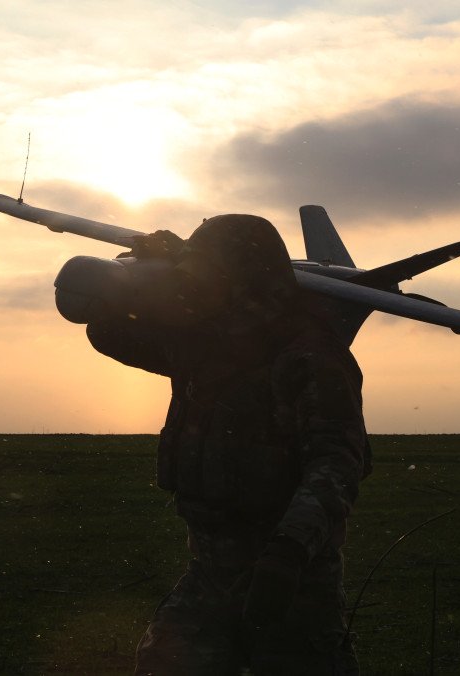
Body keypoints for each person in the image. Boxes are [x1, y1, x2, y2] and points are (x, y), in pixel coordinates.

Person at [85, 214, 372, 675]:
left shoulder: (309, 356)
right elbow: (110, 334)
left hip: (292, 583)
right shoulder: (207, 345)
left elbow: (336, 465)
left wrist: (287, 555)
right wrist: (139, 286)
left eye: (207, 273)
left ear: (244, 276)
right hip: (210, 573)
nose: (197, 286)